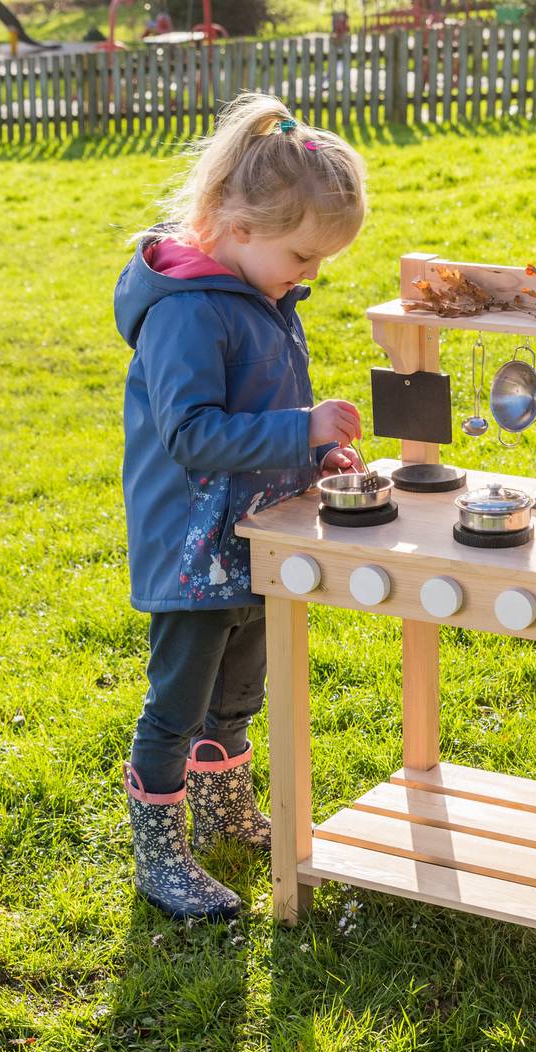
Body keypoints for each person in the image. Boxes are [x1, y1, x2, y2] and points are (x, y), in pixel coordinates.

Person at [113, 92, 367, 921]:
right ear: (236, 226)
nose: (311, 274)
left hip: (251, 537)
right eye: (303, 254)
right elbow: (192, 434)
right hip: (192, 549)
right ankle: (162, 856)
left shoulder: (262, 295)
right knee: (178, 706)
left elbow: (256, 413)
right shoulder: (186, 313)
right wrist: (298, 427)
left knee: (238, 691)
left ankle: (227, 816)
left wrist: (318, 453)